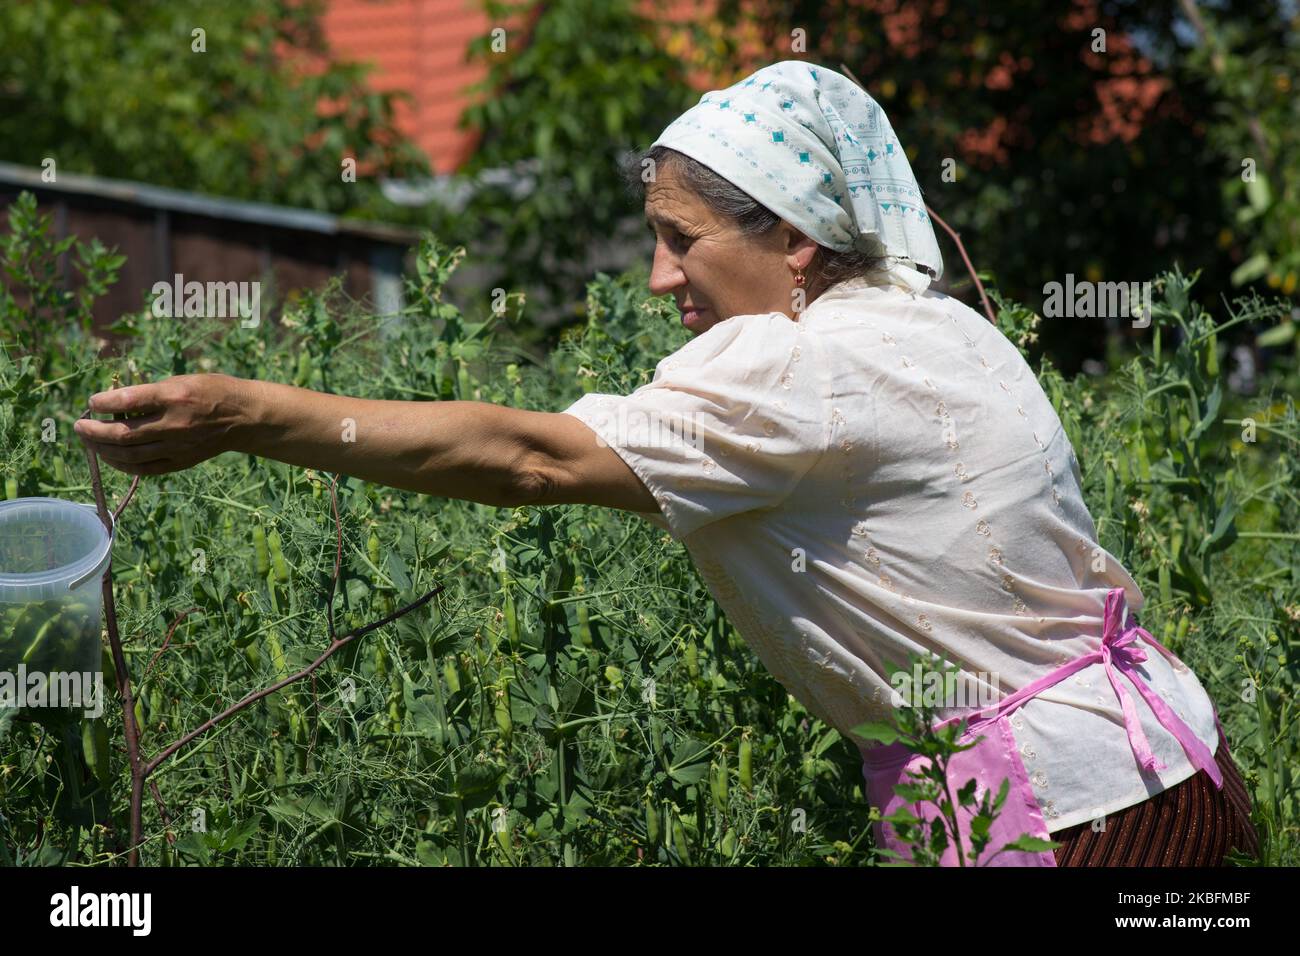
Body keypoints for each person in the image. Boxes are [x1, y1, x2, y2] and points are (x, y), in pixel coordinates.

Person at [74, 60, 1259, 867]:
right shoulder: (933, 325)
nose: (657, 278)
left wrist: (243, 412)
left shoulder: (795, 367)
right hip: (1166, 770)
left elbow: (530, 458)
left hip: (1065, 820)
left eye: (678, 239)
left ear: (792, 236)